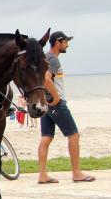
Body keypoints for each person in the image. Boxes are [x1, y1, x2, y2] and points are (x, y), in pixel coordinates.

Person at [37, 31, 94, 183]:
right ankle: (77, 173)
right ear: (58, 43)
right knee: (74, 135)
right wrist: (56, 97)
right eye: (66, 42)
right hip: (56, 104)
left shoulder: (45, 58)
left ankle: (42, 175)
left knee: (46, 138)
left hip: (46, 104)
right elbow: (46, 79)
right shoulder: (53, 59)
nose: (67, 45)